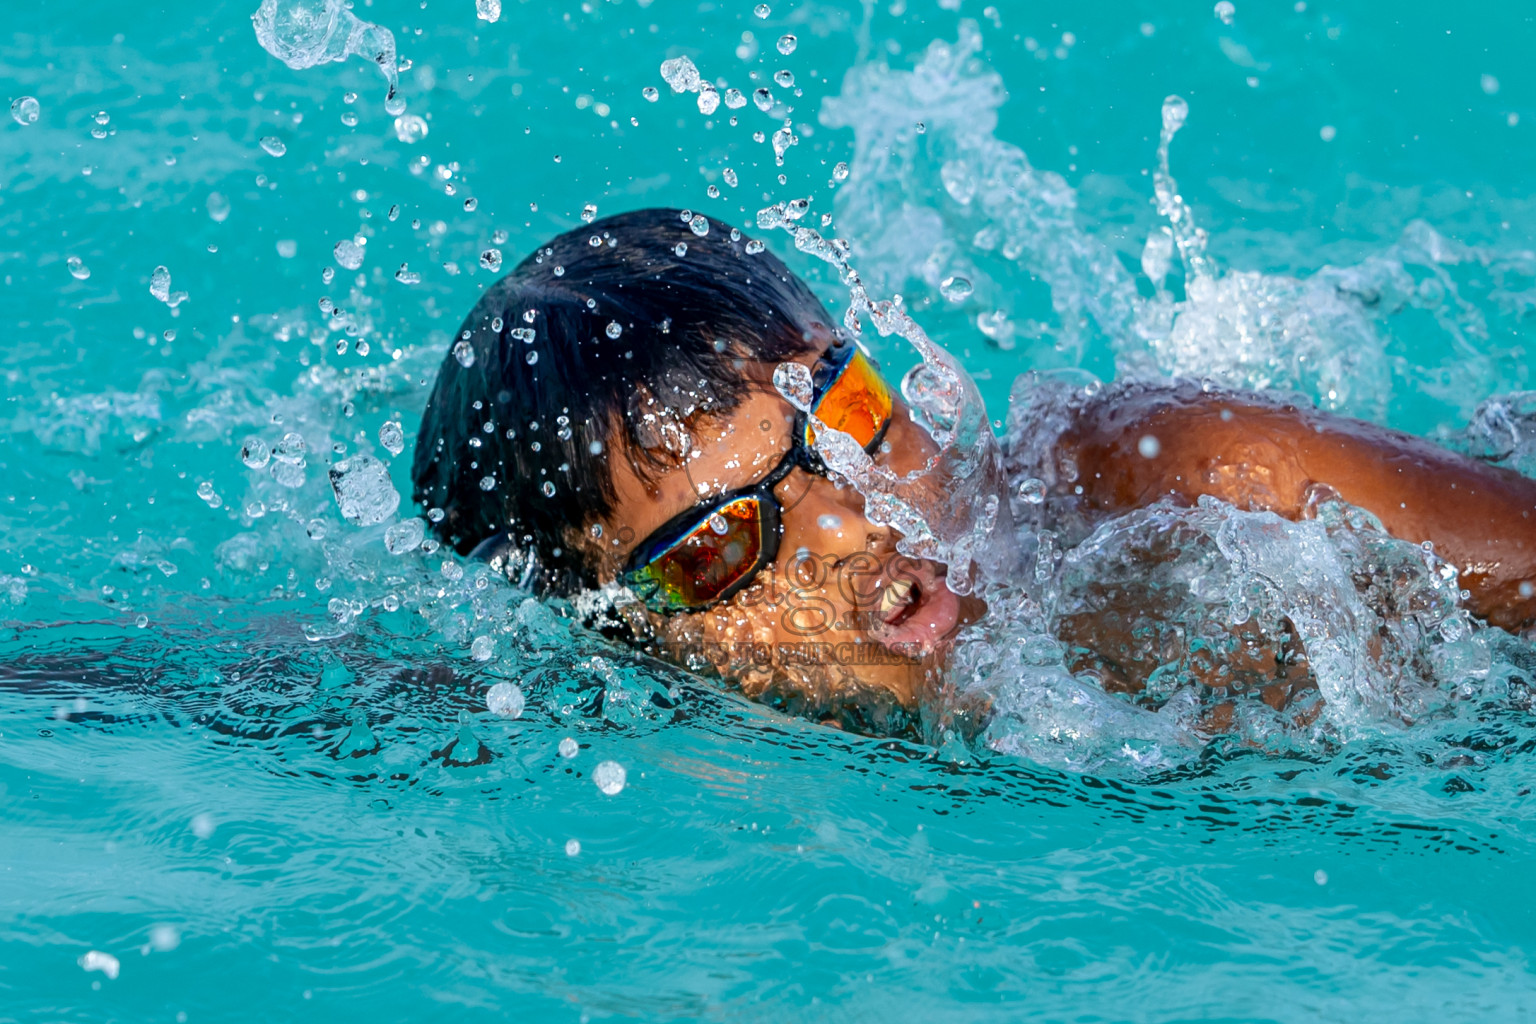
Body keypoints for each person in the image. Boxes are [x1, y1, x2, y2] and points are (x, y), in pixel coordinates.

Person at [412, 208, 1536, 738]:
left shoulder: (1193, 491)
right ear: (623, 630)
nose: (849, 525)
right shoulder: (633, 721)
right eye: (718, 543)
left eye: (848, 417)